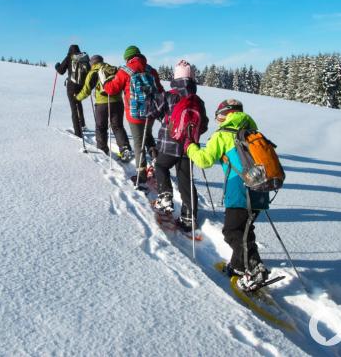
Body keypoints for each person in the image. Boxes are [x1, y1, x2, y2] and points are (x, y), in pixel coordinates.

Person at [185, 99, 271, 292]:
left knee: (231, 232)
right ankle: (239, 266)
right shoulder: (253, 131)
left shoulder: (223, 134)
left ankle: (255, 268)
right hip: (261, 188)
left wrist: (190, 147)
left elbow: (205, 160)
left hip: (239, 189)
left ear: (225, 114)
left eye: (219, 116)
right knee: (245, 229)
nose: (218, 120)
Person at [150, 60, 209, 232]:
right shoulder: (198, 100)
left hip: (169, 145)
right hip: (189, 147)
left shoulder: (169, 95)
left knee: (161, 166)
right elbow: (203, 124)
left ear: (176, 77)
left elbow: (153, 112)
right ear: (191, 78)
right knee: (186, 181)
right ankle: (189, 217)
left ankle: (166, 196)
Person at [102, 45, 164, 184]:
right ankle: (155, 159)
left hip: (134, 113)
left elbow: (112, 89)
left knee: (138, 142)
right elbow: (160, 90)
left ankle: (141, 173)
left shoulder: (125, 71)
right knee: (148, 136)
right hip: (151, 113)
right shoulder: (151, 70)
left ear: (128, 58)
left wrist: (105, 83)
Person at [75, 55, 133, 160]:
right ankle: (125, 149)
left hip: (102, 104)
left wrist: (77, 98)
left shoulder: (93, 72)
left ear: (93, 63)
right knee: (118, 126)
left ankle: (102, 150)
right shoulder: (114, 69)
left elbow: (86, 90)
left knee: (101, 127)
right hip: (118, 102)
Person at [55, 44, 88, 137]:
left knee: (74, 108)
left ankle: (78, 132)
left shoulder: (69, 57)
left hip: (72, 86)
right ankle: (82, 125)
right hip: (81, 85)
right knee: (79, 103)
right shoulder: (84, 57)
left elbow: (61, 71)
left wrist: (57, 66)